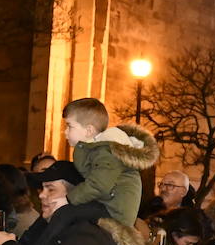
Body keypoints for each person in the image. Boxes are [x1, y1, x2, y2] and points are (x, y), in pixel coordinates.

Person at [63, 97, 159, 228]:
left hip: (115, 214)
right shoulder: (95, 149)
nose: (65, 132)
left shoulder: (106, 151)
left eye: (69, 126)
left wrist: (68, 199)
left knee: (63, 213)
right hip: (108, 204)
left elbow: (99, 185)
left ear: (89, 130)